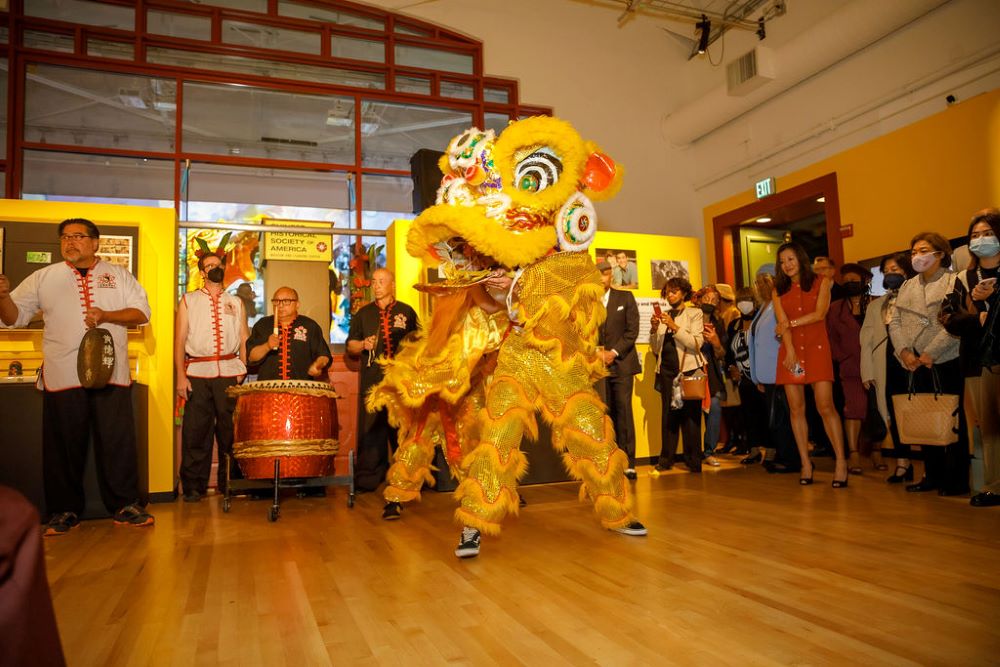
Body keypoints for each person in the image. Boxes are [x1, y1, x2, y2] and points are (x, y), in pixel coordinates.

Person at [0, 218, 153, 534]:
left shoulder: (119, 275)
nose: (71, 242)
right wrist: (2, 297)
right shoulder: (44, 277)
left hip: (112, 371)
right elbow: (14, 319)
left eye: (79, 236)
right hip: (63, 373)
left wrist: (107, 315)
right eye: (66, 237)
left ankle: (125, 505)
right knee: (63, 446)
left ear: (96, 243)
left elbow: (141, 313)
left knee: (117, 442)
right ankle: (64, 511)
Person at [889, 232, 969, 496]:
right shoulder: (908, 285)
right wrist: (903, 351)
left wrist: (931, 352)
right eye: (913, 252)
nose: (917, 256)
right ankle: (931, 475)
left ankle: (956, 479)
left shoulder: (953, 281)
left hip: (945, 358)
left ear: (940, 254)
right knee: (923, 415)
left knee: (951, 418)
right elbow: (896, 321)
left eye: (923, 250)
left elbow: (955, 321)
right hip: (914, 362)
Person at [175, 251, 249, 502]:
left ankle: (231, 483)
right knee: (196, 431)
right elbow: (179, 340)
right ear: (202, 271)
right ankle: (194, 486)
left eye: (218, 265)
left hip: (229, 372)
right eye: (209, 266)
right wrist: (180, 376)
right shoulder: (188, 300)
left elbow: (243, 338)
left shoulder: (236, 302)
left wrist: (243, 368)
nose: (214, 269)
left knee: (231, 431)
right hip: (197, 372)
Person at [773, 242, 848, 487]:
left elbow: (819, 314)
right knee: (796, 409)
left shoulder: (821, 282)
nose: (787, 265)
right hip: (791, 354)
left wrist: (791, 325)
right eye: (783, 261)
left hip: (817, 350)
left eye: (791, 259)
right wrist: (790, 350)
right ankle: (805, 463)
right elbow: (781, 322)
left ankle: (840, 462)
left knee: (825, 405)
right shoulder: (778, 289)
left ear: (801, 259)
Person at [940, 210, 1000, 506]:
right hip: (978, 359)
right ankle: (994, 485)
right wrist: (977, 315)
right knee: (988, 425)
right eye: (975, 235)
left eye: (987, 232)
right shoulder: (963, 278)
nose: (981, 239)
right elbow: (947, 317)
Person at [346, 268, 418, 495]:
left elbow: (420, 343)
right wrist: (362, 345)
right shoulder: (363, 313)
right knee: (371, 429)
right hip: (373, 380)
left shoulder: (406, 312)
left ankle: (408, 478)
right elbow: (350, 345)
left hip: (402, 382)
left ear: (392, 285)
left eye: (381, 281)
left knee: (403, 430)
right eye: (374, 281)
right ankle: (368, 478)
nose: (376, 285)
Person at [860, 253, 916, 482]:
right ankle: (903, 464)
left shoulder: (916, 297)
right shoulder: (876, 306)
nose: (891, 274)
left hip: (912, 362)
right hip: (885, 365)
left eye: (896, 269)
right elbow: (866, 339)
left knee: (915, 412)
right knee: (891, 414)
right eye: (887, 271)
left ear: (906, 271)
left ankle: (931, 466)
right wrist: (867, 370)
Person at [650, 276, 704, 473]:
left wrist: (674, 326)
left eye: (674, 291)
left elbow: (696, 344)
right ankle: (666, 460)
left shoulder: (694, 313)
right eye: (667, 292)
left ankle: (693, 460)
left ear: (683, 293)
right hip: (666, 372)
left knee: (691, 417)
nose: (670, 295)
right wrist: (655, 330)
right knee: (669, 416)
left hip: (688, 370)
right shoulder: (664, 315)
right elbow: (656, 349)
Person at [827, 263, 875, 475]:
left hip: (875, 366)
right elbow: (830, 338)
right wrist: (842, 357)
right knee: (853, 410)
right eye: (846, 282)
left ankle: (876, 450)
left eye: (854, 281)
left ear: (865, 282)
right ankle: (854, 453)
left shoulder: (875, 304)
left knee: (877, 411)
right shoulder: (835, 308)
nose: (849, 285)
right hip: (850, 367)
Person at [748, 270, 797, 472]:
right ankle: (784, 455)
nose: (762, 285)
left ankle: (792, 459)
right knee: (775, 419)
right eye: (758, 282)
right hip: (766, 374)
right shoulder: (762, 309)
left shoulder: (780, 304)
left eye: (766, 280)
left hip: (780, 371)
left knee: (784, 417)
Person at [597, 260, 641, 479]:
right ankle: (607, 462)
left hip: (622, 364)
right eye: (596, 275)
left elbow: (632, 331)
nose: (600, 279)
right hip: (598, 367)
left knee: (623, 412)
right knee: (604, 414)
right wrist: (597, 354)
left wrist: (613, 352)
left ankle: (628, 463)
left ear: (610, 276)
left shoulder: (625, 298)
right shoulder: (588, 302)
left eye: (604, 275)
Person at [246, 287, 331, 382]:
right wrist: (267, 346)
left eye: (286, 301)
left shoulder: (309, 326)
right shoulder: (262, 325)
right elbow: (251, 357)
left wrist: (318, 366)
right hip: (268, 389)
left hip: (301, 389)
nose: (280, 305)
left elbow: (324, 355)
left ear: (297, 304)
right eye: (276, 301)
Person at [723, 286, 763, 457]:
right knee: (747, 415)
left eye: (748, 300)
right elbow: (729, 351)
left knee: (764, 413)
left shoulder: (760, 321)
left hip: (760, 376)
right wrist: (731, 368)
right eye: (740, 300)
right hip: (741, 378)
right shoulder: (734, 324)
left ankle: (770, 450)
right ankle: (752, 450)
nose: (744, 304)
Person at [698, 286, 728, 467]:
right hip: (693, 369)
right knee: (693, 409)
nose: (710, 302)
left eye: (715, 300)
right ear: (700, 300)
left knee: (715, 407)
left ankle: (709, 450)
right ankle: (693, 452)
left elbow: (722, 353)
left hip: (713, 372)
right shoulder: (690, 319)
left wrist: (716, 343)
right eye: (707, 299)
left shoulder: (719, 324)